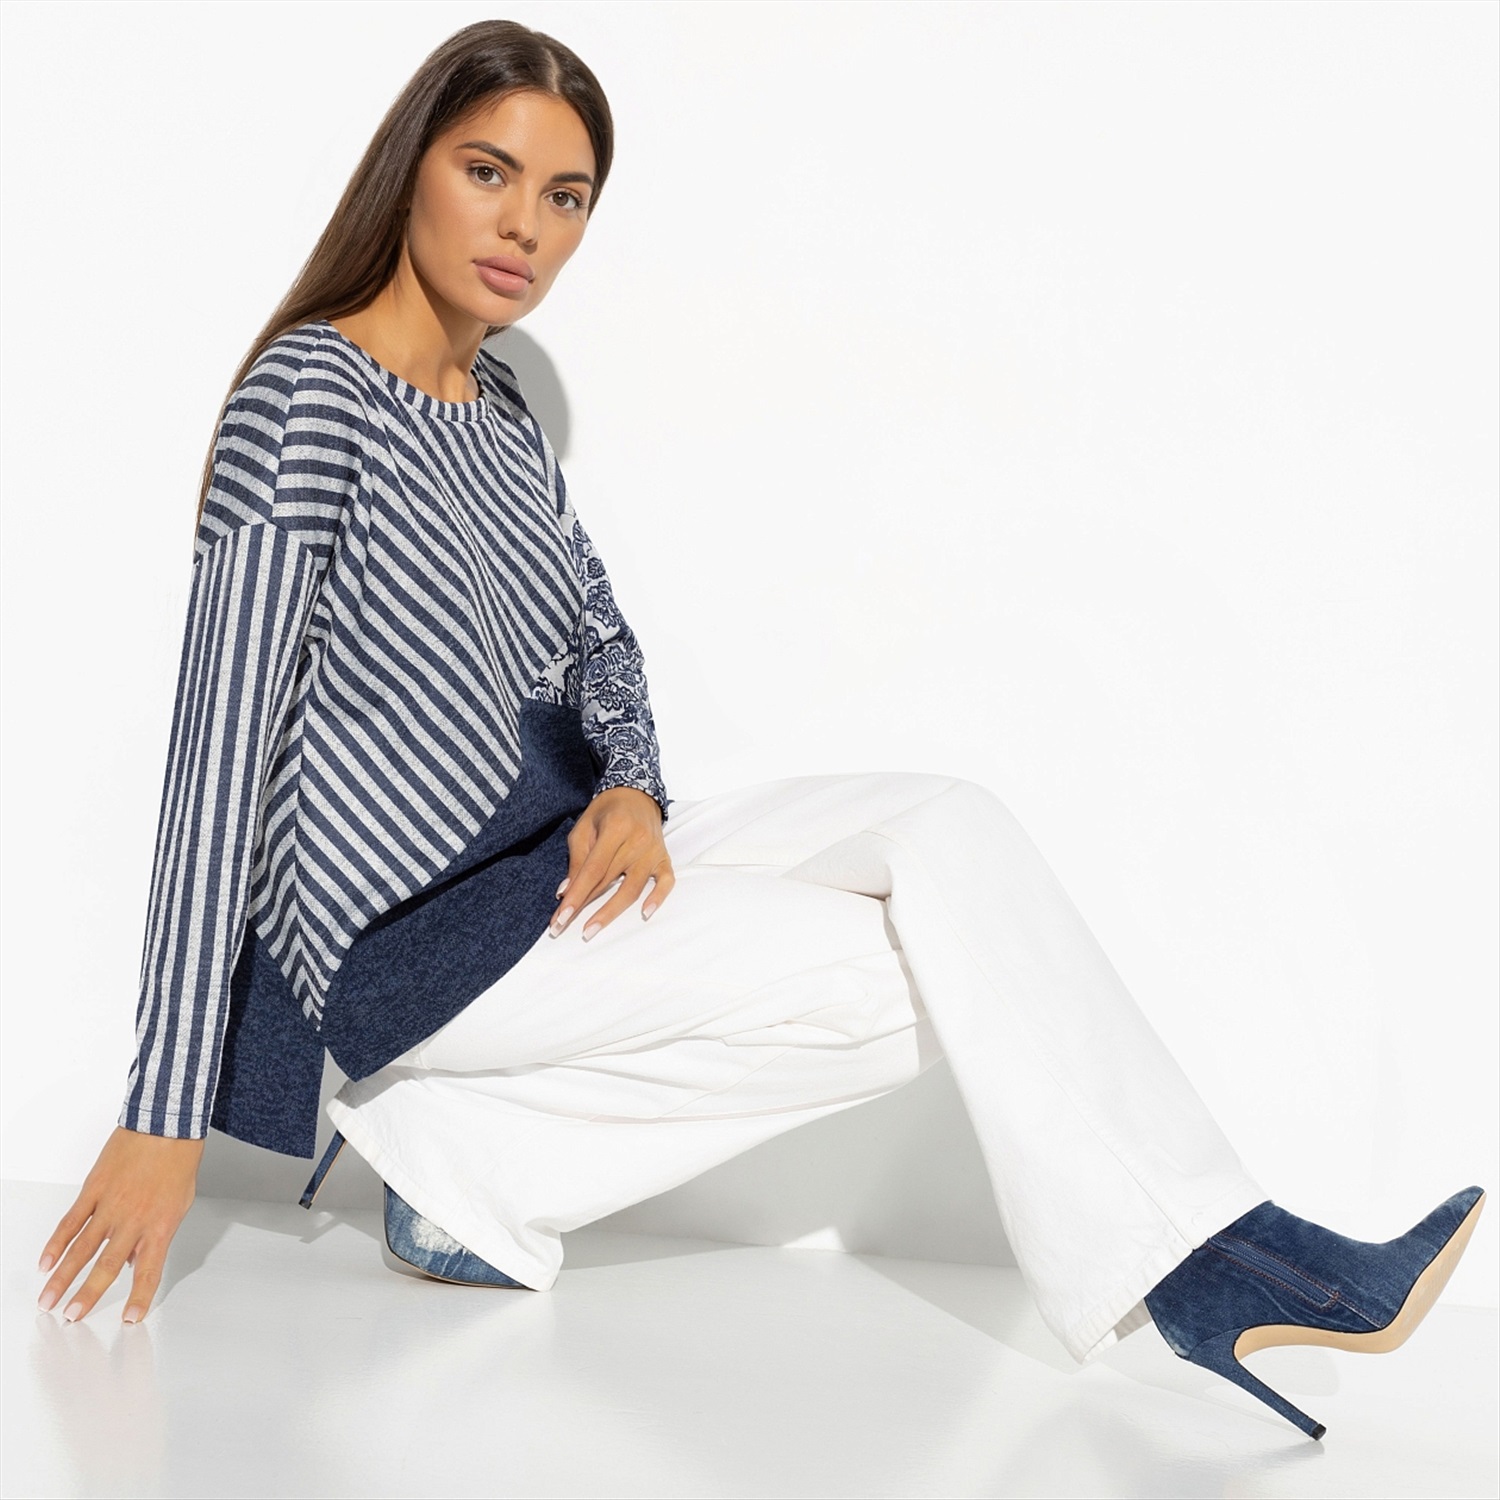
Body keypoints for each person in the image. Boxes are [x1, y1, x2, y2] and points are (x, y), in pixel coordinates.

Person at [35, 18, 1484, 1442]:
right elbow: (214, 756)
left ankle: (469, 1176)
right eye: (488, 172)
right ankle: (1217, 1273)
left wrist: (635, 787)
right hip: (414, 938)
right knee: (929, 978)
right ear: (408, 168)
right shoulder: (306, 398)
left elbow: (598, 634)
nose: (526, 226)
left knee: (951, 839)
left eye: (566, 196)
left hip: (557, 860)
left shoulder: (500, 407)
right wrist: (165, 1110)